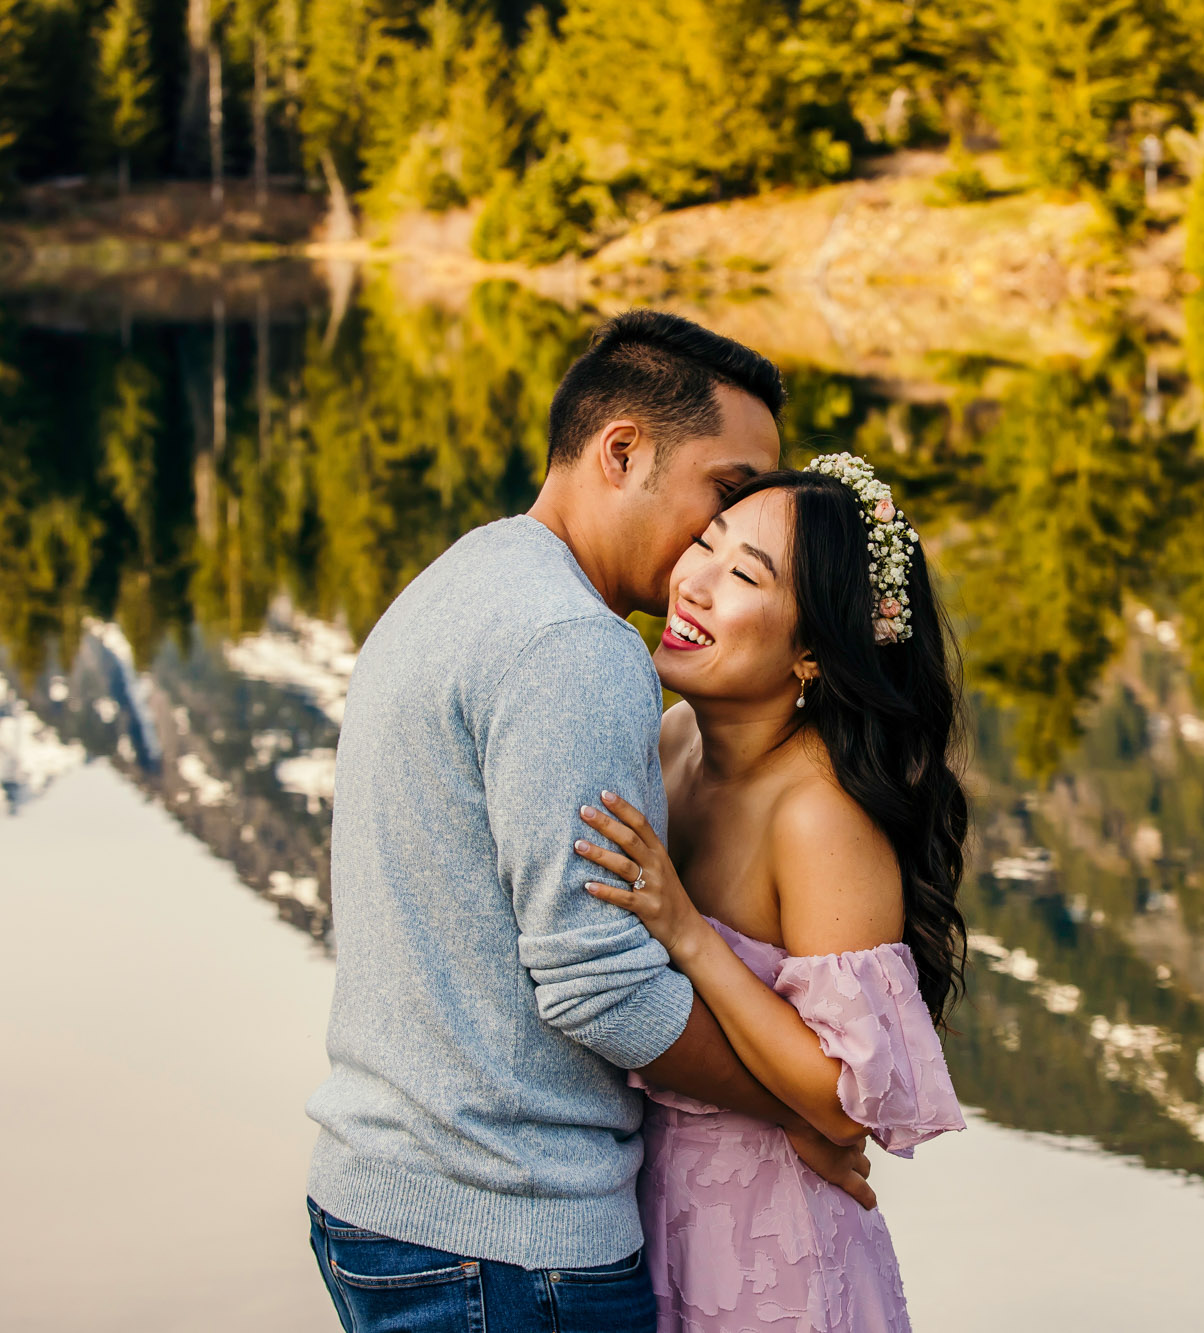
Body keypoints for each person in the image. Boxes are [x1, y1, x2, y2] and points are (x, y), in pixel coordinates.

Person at [304, 312, 875, 1333]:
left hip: (388, 1194)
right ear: (622, 451)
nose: (715, 542)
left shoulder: (468, 579)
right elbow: (603, 992)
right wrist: (797, 1110)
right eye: (724, 496)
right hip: (506, 1239)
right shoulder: (576, 647)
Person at [572, 454, 969, 1332]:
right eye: (703, 545)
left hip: (769, 1247)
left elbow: (840, 1096)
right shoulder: (670, 739)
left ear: (814, 652)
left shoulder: (819, 814)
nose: (695, 585)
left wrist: (688, 930)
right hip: (636, 1211)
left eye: (744, 574)